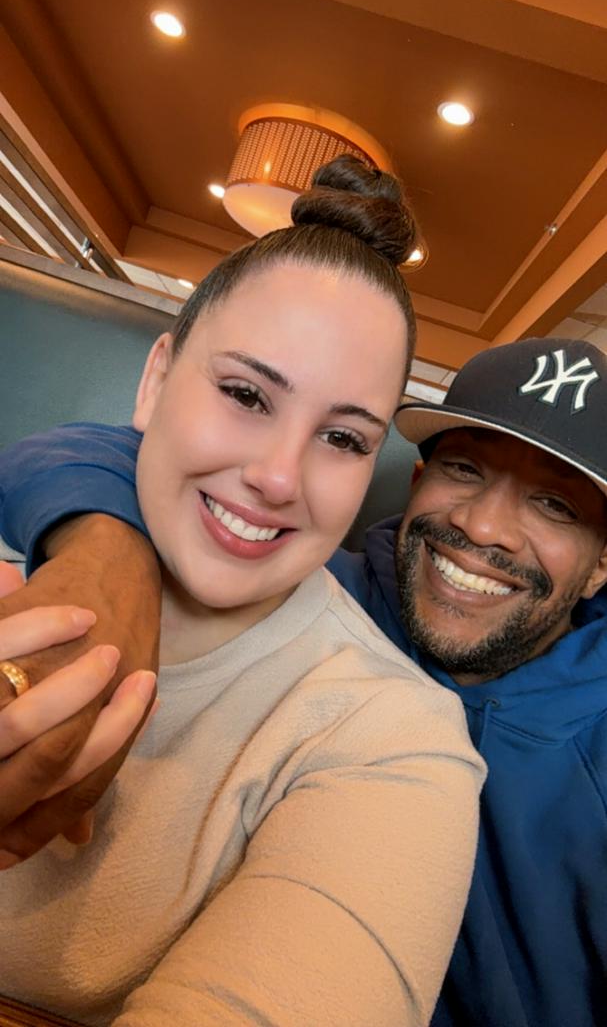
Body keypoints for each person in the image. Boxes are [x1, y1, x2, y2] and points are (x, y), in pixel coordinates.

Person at [0, 156, 484, 1027]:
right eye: (245, 394)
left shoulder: (395, 740)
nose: (277, 476)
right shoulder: (35, 540)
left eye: (342, 438)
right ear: (155, 380)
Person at [2, 334, 606, 1027]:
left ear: (600, 565)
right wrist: (107, 557)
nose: (483, 524)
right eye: (465, 469)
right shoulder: (307, 589)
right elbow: (104, 454)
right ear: (415, 483)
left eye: (556, 506)